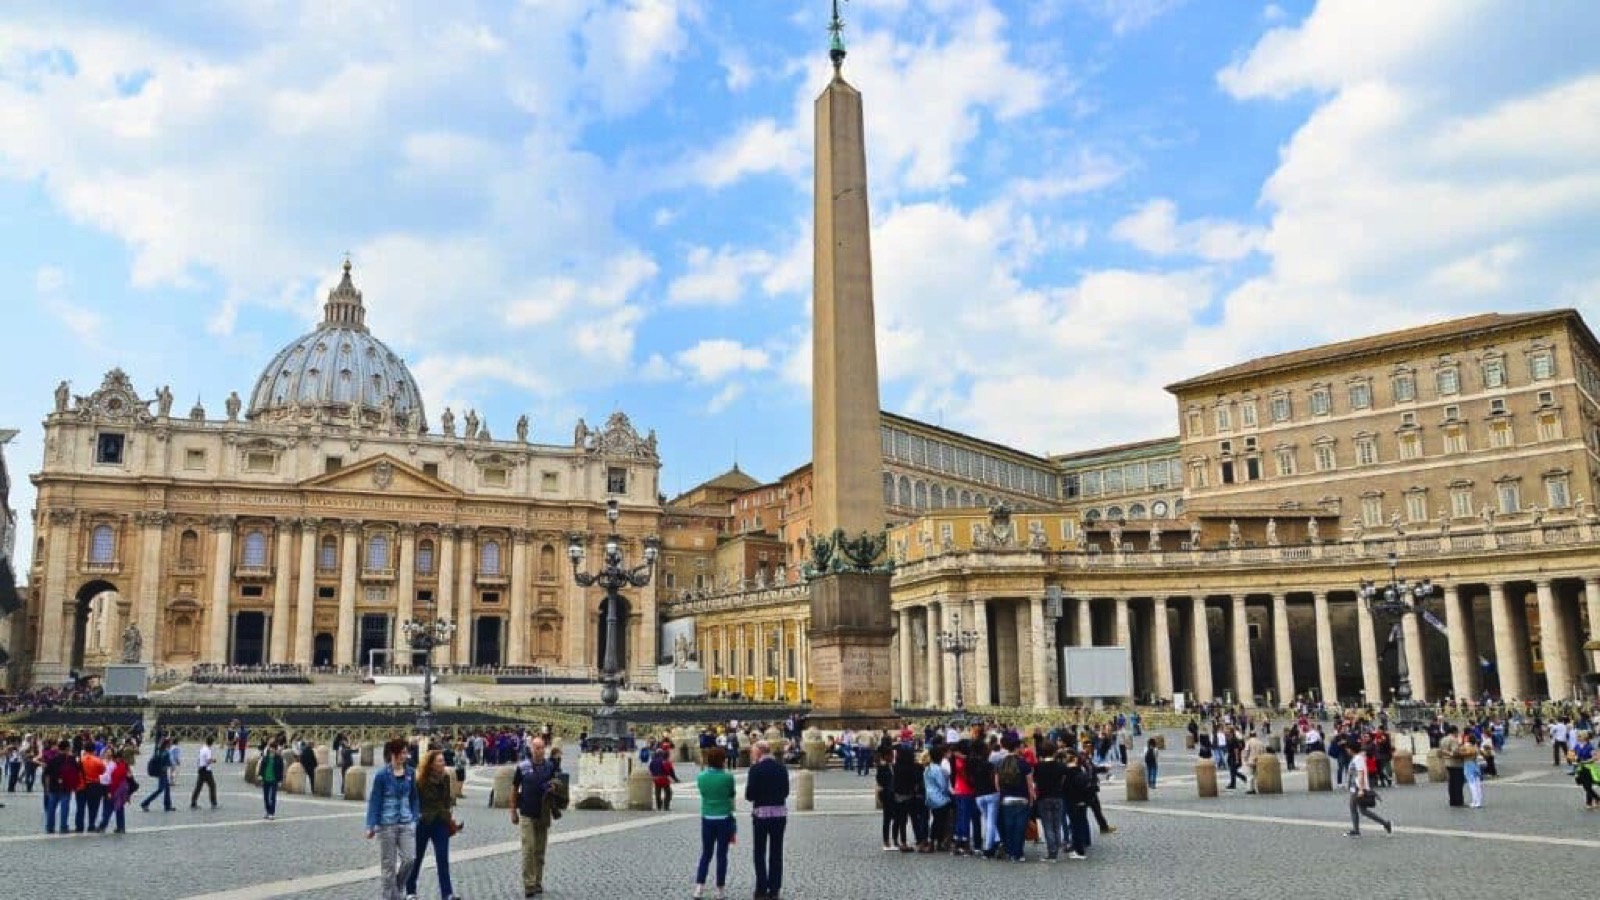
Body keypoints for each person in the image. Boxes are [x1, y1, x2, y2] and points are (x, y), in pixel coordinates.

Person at [365, 737, 419, 900]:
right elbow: (375, 800)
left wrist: (415, 817)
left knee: (410, 859)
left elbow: (414, 798)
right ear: (394, 754)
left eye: (406, 752)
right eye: (403, 752)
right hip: (386, 824)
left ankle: (397, 887)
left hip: (405, 822)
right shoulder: (382, 775)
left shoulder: (410, 772)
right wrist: (370, 825)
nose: (406, 755)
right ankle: (390, 897)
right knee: (388, 866)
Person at [406, 749, 460, 900]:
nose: (443, 764)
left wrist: (448, 816)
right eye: (440, 761)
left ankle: (447, 893)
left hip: (440, 823)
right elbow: (413, 801)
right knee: (417, 858)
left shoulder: (446, 778)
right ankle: (410, 890)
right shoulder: (420, 781)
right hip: (423, 823)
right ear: (430, 764)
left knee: (443, 858)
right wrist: (417, 815)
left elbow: (447, 800)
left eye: (443, 760)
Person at [512, 736, 558, 898]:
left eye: (541, 748)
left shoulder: (549, 766)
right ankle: (529, 884)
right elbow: (515, 788)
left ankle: (538, 881)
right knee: (528, 849)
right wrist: (513, 811)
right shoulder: (523, 766)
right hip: (526, 812)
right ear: (531, 749)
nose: (538, 751)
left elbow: (555, 783)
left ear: (544, 749)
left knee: (540, 850)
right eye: (536, 748)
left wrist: (553, 787)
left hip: (543, 813)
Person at [745, 740, 789, 900]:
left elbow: (749, 795)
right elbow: (785, 791)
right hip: (779, 815)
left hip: (761, 815)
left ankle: (761, 889)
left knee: (759, 852)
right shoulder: (782, 768)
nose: (751, 754)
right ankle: (775, 889)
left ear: (759, 752)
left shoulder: (755, 769)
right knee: (776, 853)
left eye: (752, 752)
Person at [694, 746, 737, 900]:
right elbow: (731, 794)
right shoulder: (728, 778)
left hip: (707, 817)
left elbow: (703, 793)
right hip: (724, 818)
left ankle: (699, 886)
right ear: (722, 761)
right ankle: (719, 889)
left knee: (706, 853)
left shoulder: (701, 777)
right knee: (722, 854)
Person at [1345, 738, 1392, 837]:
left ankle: (1356, 831)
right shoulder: (1357, 758)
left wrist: (1361, 789)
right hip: (1355, 787)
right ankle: (1385, 823)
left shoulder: (1358, 759)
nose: (1346, 750)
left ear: (1351, 749)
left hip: (1358, 788)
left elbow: (1361, 773)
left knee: (1354, 809)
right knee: (1363, 811)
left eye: (1347, 748)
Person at [1031, 742, 1066, 862]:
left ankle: (1052, 852)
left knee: (1048, 826)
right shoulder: (1060, 766)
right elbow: (1063, 780)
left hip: (1044, 797)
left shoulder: (1038, 766)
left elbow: (1035, 782)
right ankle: (1056, 846)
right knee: (1057, 825)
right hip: (1058, 796)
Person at [923, 743, 954, 853]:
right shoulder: (938, 770)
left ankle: (934, 842)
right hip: (940, 798)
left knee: (936, 820)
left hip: (930, 797)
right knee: (939, 821)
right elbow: (943, 785)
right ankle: (937, 842)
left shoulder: (928, 768)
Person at [140, 737, 174, 812]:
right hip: (162, 773)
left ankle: (167, 805)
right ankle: (145, 803)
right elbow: (168, 764)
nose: (171, 744)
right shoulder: (166, 753)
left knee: (167, 788)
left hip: (159, 771)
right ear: (167, 744)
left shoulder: (158, 751)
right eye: (170, 743)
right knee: (160, 789)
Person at [1439, 725, 1466, 807]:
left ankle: (1452, 801)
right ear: (1455, 732)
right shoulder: (1453, 740)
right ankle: (1458, 801)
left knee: (1451, 783)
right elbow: (1455, 753)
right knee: (1458, 783)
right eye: (1457, 732)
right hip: (1456, 763)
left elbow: (1441, 750)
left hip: (1447, 763)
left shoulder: (1443, 739)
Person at [259, 739, 286, 820]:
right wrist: (260, 775)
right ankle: (267, 811)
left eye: (273, 748)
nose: (272, 749)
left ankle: (272, 813)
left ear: (276, 749)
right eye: (271, 748)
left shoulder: (279, 758)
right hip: (266, 779)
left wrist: (280, 780)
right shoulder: (266, 757)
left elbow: (281, 769)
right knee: (266, 797)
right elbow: (262, 767)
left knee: (272, 797)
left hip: (274, 779)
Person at [190, 736, 218, 809]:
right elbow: (208, 760)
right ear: (211, 743)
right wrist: (214, 760)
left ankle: (193, 801)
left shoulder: (202, 748)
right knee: (212, 786)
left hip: (201, 769)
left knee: (198, 787)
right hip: (207, 770)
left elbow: (199, 759)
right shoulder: (208, 750)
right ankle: (213, 802)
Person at [650, 746, 680, 811]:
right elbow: (671, 772)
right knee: (668, 792)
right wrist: (676, 779)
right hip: (664, 779)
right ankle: (666, 806)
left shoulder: (652, 761)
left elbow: (651, 770)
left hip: (656, 779)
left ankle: (659, 806)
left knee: (657, 793)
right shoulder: (666, 762)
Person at [1461, 731, 1484, 809]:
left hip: (1468, 765)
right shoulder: (1476, 747)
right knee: (1477, 784)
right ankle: (1479, 801)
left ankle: (1475, 801)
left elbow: (1461, 752)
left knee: (1472, 785)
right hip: (1475, 765)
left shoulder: (1467, 746)